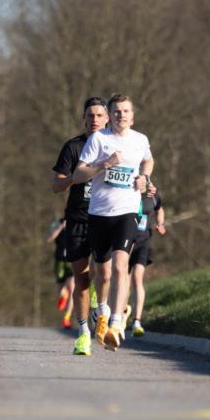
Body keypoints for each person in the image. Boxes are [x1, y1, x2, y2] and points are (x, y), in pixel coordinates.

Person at [72, 94, 154, 351]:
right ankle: (104, 310)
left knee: (121, 267)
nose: (121, 116)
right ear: (110, 116)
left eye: (126, 111)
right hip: (99, 214)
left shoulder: (140, 140)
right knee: (103, 273)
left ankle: (117, 323)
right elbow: (77, 175)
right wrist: (105, 164)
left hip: (127, 212)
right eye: (116, 112)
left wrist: (145, 178)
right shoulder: (99, 139)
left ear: (132, 115)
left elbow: (148, 160)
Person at [52, 97, 110, 354]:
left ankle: (101, 306)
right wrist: (74, 179)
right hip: (77, 218)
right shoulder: (73, 147)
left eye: (99, 115)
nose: (95, 119)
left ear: (108, 118)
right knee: (81, 278)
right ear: (83, 119)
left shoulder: (116, 146)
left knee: (104, 271)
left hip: (105, 216)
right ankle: (83, 332)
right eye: (90, 115)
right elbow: (56, 185)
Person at [129, 191, 166, 337]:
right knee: (122, 278)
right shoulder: (128, 191)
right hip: (125, 241)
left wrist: (160, 223)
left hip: (143, 242)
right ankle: (119, 314)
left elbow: (160, 209)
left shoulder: (153, 195)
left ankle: (136, 321)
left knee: (137, 278)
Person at [46, 218, 74, 327]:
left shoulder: (77, 221)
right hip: (60, 260)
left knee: (72, 286)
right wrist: (60, 227)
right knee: (61, 289)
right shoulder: (57, 223)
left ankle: (67, 317)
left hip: (71, 260)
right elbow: (49, 238)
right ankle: (64, 295)